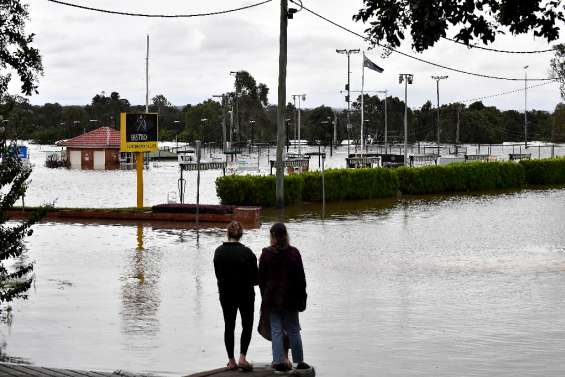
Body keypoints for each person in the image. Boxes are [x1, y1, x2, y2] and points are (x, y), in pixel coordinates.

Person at [259, 223, 311, 373]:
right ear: (286, 235)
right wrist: (303, 298)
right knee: (294, 329)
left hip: (272, 299)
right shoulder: (294, 253)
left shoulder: (266, 254)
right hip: (291, 299)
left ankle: (278, 361)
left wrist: (265, 296)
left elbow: (261, 279)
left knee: (276, 330)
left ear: (273, 236)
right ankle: (299, 361)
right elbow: (301, 279)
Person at [214, 221, 258, 371]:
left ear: (228, 233)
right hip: (245, 294)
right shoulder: (247, 253)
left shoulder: (218, 252)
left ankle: (231, 361)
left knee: (229, 326)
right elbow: (256, 279)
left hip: (226, 295)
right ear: (241, 235)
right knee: (247, 325)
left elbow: (218, 275)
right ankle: (242, 358)